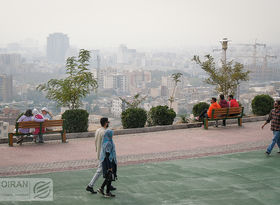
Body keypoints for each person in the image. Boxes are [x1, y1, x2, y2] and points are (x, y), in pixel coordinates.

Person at [86, 118, 116, 194]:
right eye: (108, 123)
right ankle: (90, 185)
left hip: (100, 153)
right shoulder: (105, 132)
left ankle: (109, 184)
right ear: (106, 123)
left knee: (106, 170)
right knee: (101, 170)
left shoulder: (98, 130)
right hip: (104, 155)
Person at [97, 129, 117, 198]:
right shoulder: (108, 143)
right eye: (111, 134)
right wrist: (110, 167)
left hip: (108, 161)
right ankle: (107, 192)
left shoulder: (106, 141)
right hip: (108, 162)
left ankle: (102, 189)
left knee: (109, 176)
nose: (112, 135)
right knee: (110, 176)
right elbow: (107, 155)